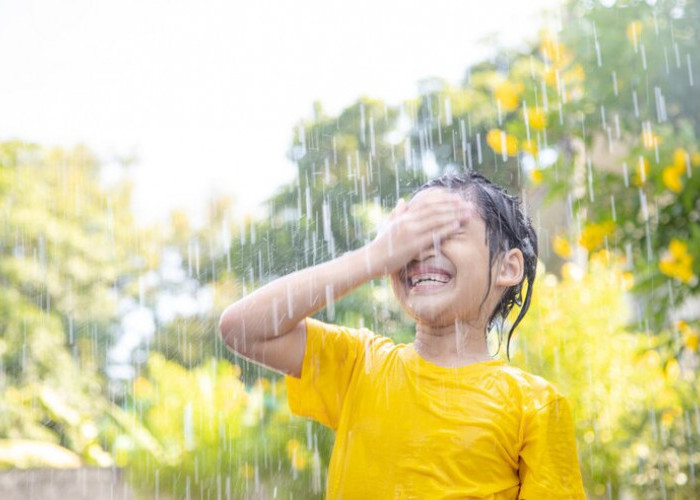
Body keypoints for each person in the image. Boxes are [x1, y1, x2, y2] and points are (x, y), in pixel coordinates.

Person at [219, 171, 586, 499]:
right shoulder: (360, 365)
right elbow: (242, 329)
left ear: (508, 267)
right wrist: (374, 256)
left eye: (444, 233)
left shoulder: (533, 405)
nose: (420, 250)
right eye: (407, 239)